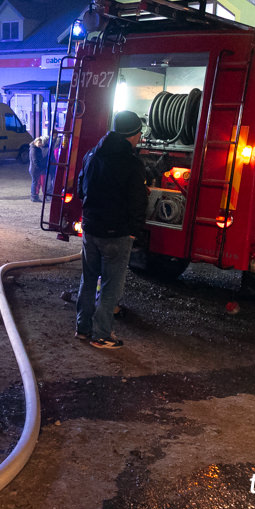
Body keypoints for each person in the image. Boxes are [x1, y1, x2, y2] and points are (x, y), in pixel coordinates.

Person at [75, 111, 148, 349]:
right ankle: (102, 335)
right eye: (139, 134)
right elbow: (138, 202)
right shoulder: (132, 163)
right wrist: (134, 232)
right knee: (110, 286)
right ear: (133, 135)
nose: (139, 138)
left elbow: (80, 188)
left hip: (91, 228)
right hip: (116, 234)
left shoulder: (92, 154)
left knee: (88, 280)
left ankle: (83, 329)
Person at [28, 136, 47, 202]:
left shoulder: (37, 148)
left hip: (35, 168)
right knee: (35, 182)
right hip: (34, 169)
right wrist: (40, 168)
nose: (40, 144)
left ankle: (34, 196)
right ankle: (34, 197)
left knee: (35, 182)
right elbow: (35, 160)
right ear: (35, 142)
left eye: (40, 142)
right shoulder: (33, 149)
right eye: (39, 142)